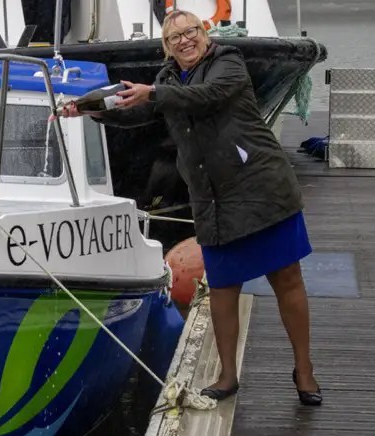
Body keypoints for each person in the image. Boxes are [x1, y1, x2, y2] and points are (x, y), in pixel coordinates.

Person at [60, 10, 322, 406]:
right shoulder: (167, 80)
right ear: (167, 48)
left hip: (262, 189)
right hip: (213, 199)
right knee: (222, 288)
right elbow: (140, 114)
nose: (185, 40)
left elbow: (207, 96)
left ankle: (304, 371)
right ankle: (227, 374)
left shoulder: (228, 63)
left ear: (205, 34)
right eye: (175, 37)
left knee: (286, 279)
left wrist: (153, 92)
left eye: (190, 32)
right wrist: (89, 109)